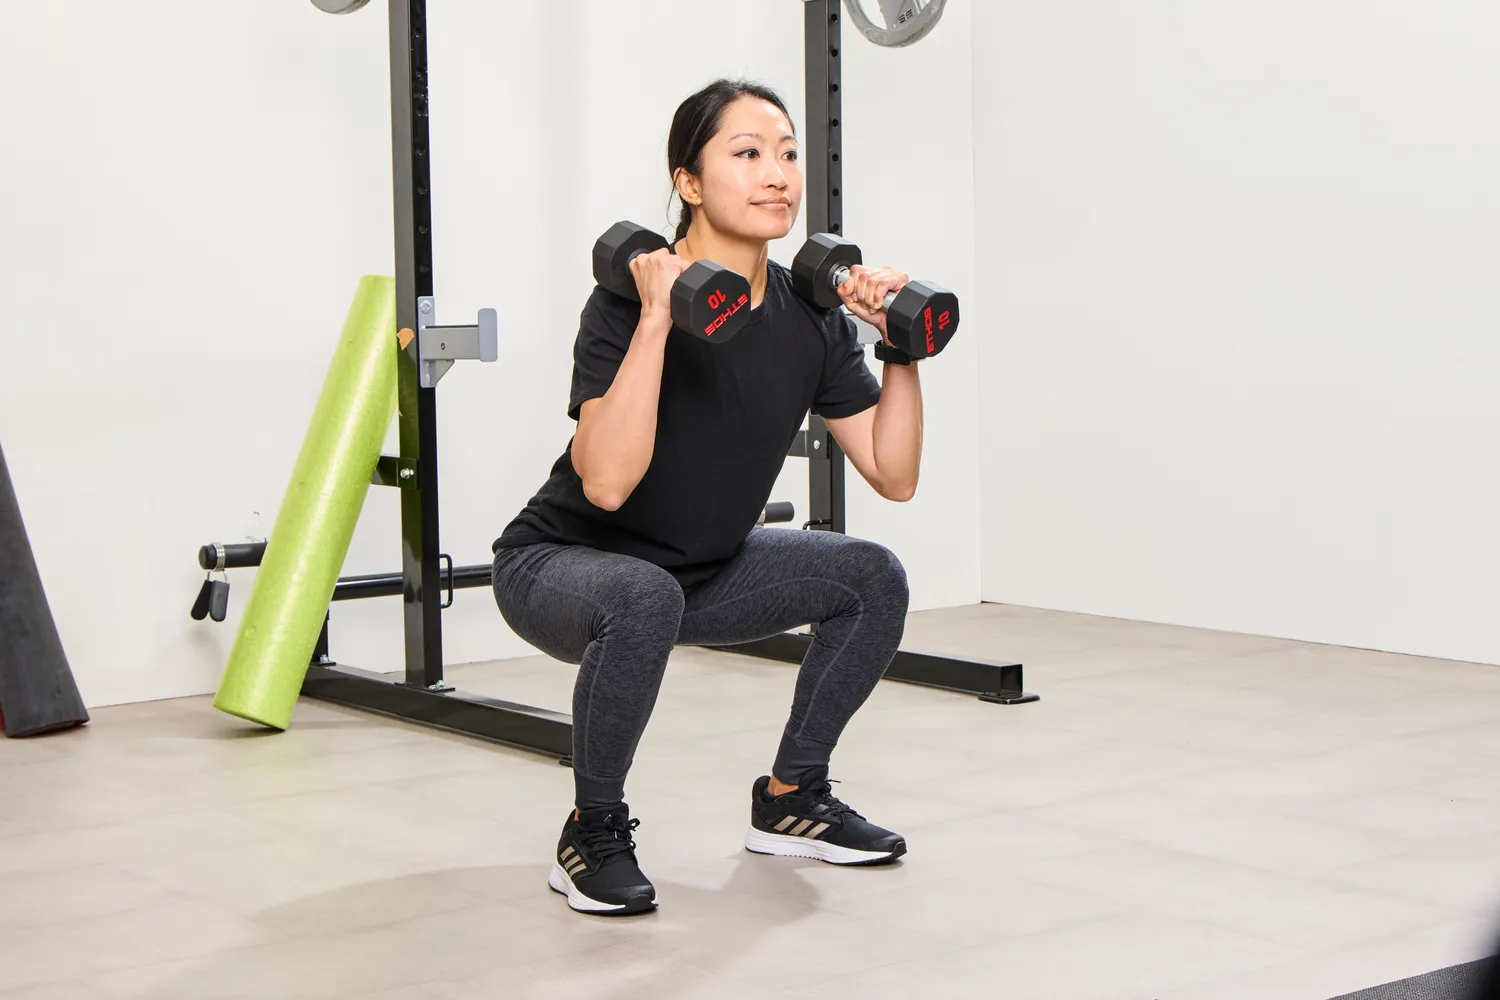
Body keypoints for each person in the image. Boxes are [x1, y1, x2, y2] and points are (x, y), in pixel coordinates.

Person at [491, 78, 928, 916]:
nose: (778, 175)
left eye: (789, 155)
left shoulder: (812, 314)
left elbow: (892, 472)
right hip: (561, 565)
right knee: (641, 594)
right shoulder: (625, 300)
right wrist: (658, 316)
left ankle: (792, 794)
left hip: (705, 571)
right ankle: (594, 828)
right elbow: (607, 481)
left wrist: (897, 344)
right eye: (748, 154)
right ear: (688, 183)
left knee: (872, 576)